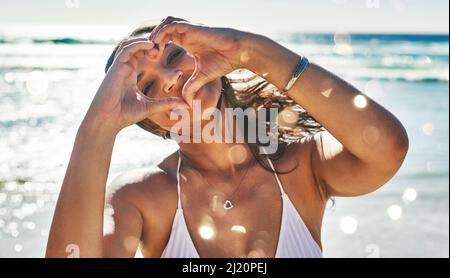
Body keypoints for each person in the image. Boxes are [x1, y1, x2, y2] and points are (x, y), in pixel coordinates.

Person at [46, 17, 409, 258]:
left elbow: (387, 150)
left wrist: (249, 51)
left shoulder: (300, 163)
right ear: (153, 124)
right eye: (150, 86)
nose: (171, 77)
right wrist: (99, 128)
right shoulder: (140, 197)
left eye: (174, 56)